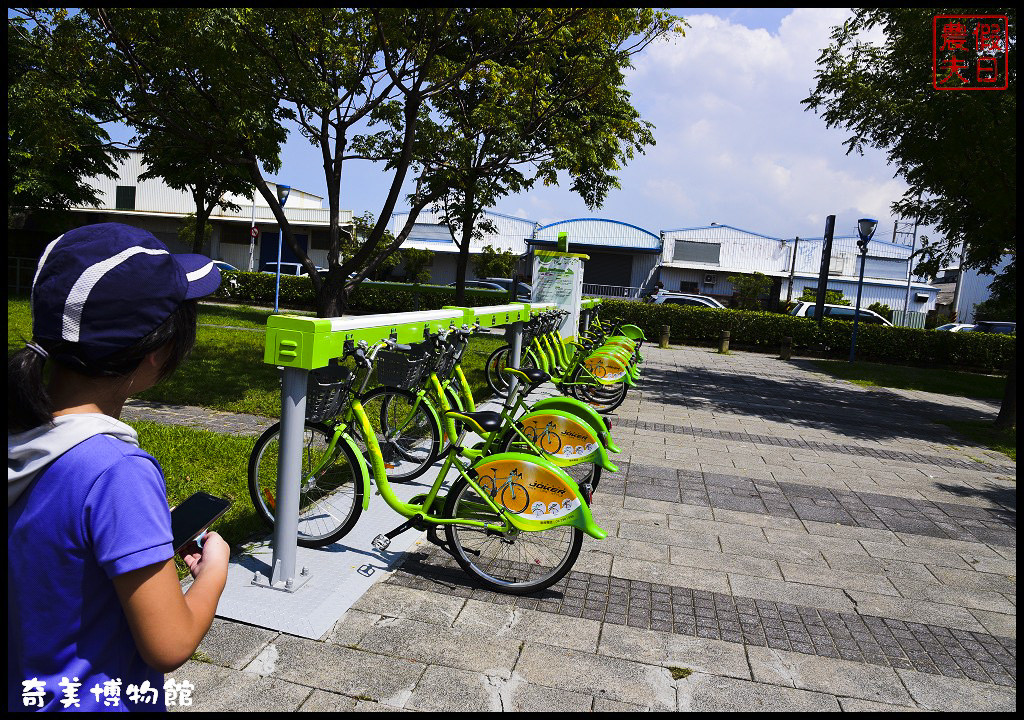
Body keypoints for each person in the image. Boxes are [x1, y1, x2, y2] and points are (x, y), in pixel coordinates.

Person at [8, 223, 229, 712]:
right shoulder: (118, 471)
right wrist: (214, 572)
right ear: (157, 351)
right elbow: (169, 644)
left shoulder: (24, 434)